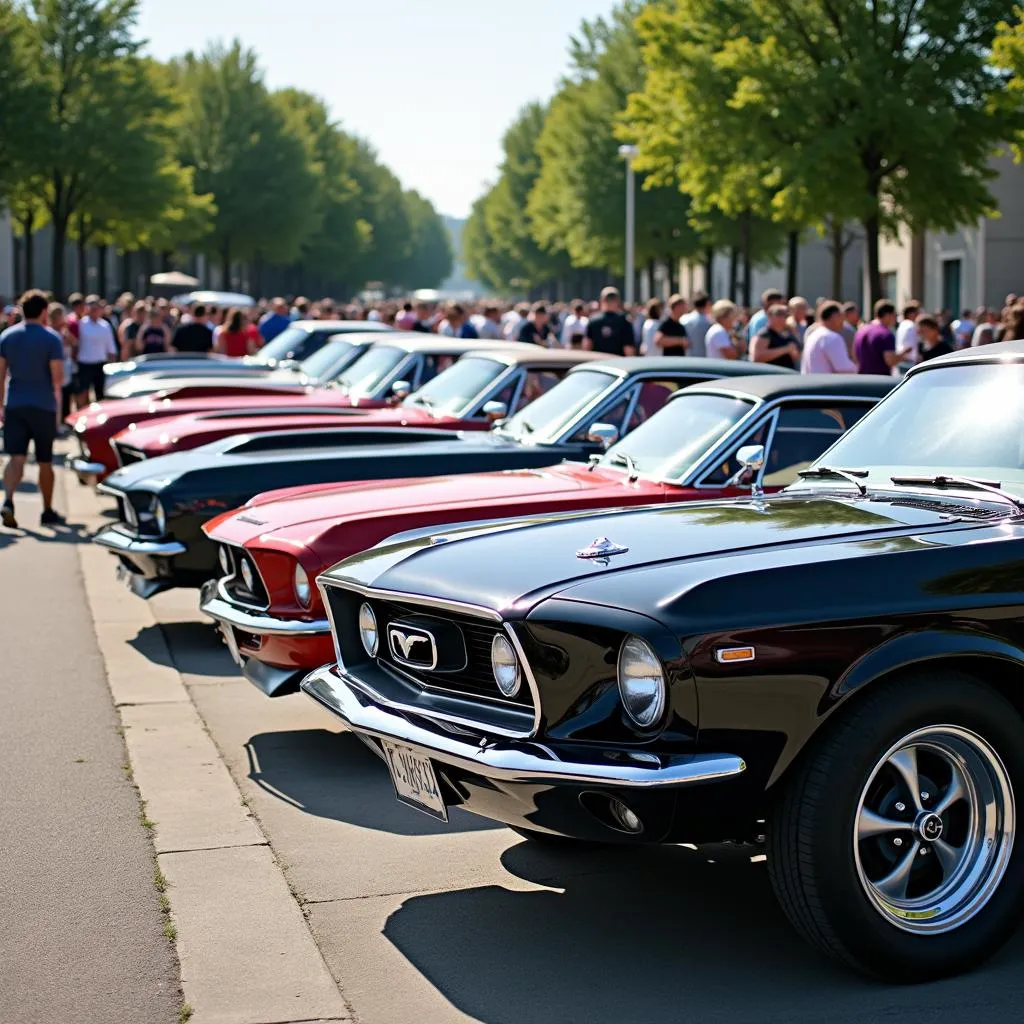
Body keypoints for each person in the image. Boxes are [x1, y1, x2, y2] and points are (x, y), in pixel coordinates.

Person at [0, 290, 66, 528]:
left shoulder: (7, 337)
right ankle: (47, 510)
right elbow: (57, 378)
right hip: (43, 405)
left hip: (15, 404)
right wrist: (58, 411)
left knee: (15, 458)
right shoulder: (51, 339)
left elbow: (0, 376)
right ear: (45, 311)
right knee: (45, 461)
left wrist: (1, 407)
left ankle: (8, 499)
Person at [75, 294, 117, 403]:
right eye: (91, 308)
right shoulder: (80, 324)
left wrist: (112, 361)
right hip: (84, 364)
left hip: (100, 364)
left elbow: (111, 347)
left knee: (100, 394)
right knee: (83, 392)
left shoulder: (105, 325)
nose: (94, 311)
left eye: (96, 308)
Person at [800, 301, 857, 373]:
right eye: (841, 316)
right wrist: (858, 367)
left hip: (812, 382)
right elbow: (844, 368)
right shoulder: (832, 337)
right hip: (825, 383)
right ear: (835, 317)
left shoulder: (814, 334)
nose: (843, 322)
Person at [853, 300, 903, 375]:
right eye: (894, 315)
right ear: (887, 315)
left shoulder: (860, 331)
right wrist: (903, 355)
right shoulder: (886, 334)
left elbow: (854, 356)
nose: (895, 319)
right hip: (880, 381)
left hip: (861, 379)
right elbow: (890, 361)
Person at [584, 287, 636, 356]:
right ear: (618, 301)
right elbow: (628, 349)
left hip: (597, 363)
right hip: (618, 364)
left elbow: (587, 346)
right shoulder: (624, 321)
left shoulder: (593, 320)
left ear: (602, 300)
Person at [48, 302, 77, 421]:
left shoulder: (64, 331)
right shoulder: (49, 332)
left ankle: (65, 419)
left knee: (66, 395)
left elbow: (74, 343)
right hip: (54, 368)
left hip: (66, 366)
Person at [750, 304, 800, 368]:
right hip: (771, 374)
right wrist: (785, 349)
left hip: (787, 373)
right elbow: (757, 357)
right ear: (769, 316)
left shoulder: (789, 333)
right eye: (779, 314)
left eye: (786, 315)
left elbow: (797, 356)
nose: (783, 317)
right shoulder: (765, 334)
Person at [681, 292, 712, 357]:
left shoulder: (683, 319)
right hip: (705, 359)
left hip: (687, 358)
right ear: (707, 303)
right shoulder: (710, 322)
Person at [895, 302, 921, 367]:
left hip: (901, 362)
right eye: (916, 312)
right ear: (910, 314)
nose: (918, 315)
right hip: (909, 363)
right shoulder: (911, 325)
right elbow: (909, 347)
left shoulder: (902, 325)